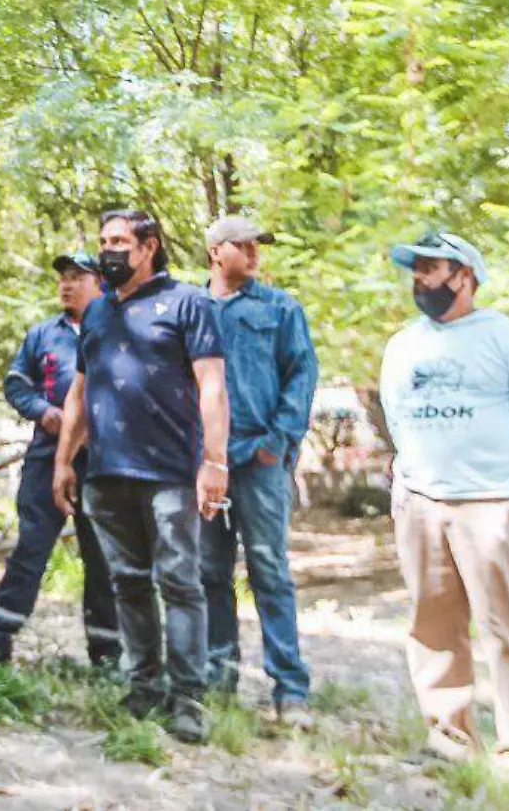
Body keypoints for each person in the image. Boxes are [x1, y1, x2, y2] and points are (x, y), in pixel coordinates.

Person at [380, 231, 509, 793]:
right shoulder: (404, 345)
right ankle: (449, 737)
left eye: (433, 270)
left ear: (466, 276)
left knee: (503, 628)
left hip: (490, 506)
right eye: (416, 271)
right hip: (421, 504)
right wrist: (409, 487)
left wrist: (508, 493)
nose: (421, 281)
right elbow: (396, 417)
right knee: (432, 626)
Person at [53, 209, 229, 744]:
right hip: (107, 472)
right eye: (104, 241)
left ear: (148, 245)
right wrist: (65, 460)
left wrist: (214, 462)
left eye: (119, 241)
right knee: (127, 584)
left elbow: (212, 386)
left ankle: (188, 698)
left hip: (170, 473)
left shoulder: (188, 303)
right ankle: (144, 687)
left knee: (179, 582)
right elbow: (80, 393)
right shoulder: (100, 313)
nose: (108, 250)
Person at [198, 215, 320, 724]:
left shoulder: (280, 308)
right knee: (209, 573)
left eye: (258, 247)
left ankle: (289, 688)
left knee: (269, 570)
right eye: (244, 246)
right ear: (216, 251)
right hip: (206, 463)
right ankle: (217, 675)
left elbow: (302, 373)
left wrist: (278, 441)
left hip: (259, 463)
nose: (254, 254)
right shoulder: (191, 308)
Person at [0, 252, 121, 667]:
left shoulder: (117, 330)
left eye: (77, 277)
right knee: (31, 547)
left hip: (102, 460)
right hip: (46, 457)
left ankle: (107, 652)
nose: (67, 284)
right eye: (63, 278)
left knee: (102, 556)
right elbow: (16, 384)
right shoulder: (43, 335)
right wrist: (44, 411)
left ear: (100, 284)